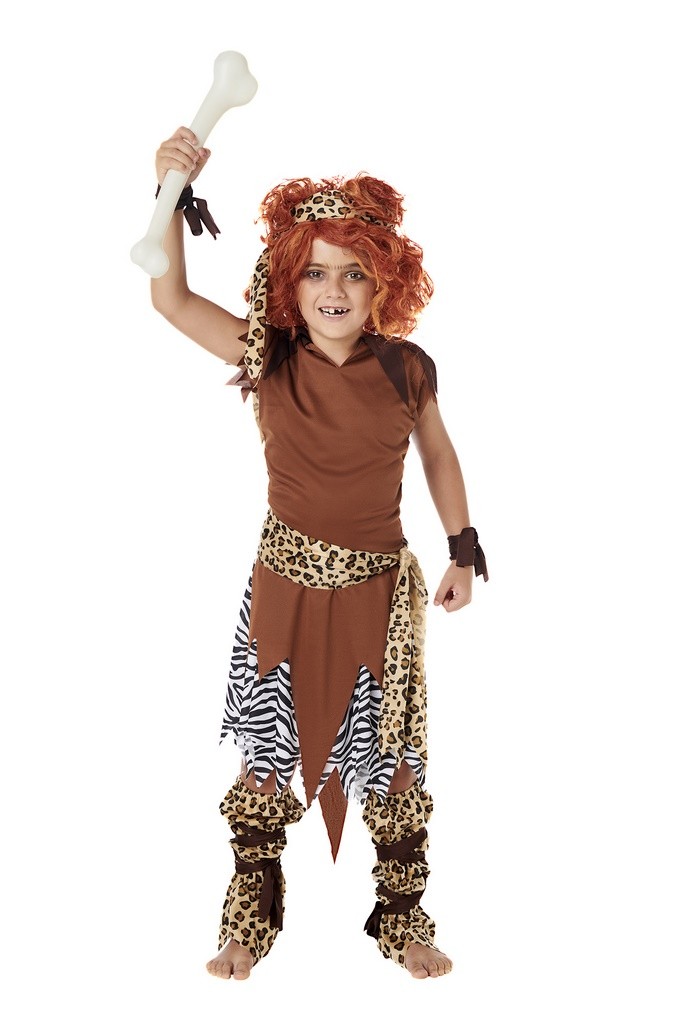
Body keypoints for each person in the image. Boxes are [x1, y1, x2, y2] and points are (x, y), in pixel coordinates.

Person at [149, 127, 488, 982]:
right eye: (315, 272)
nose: (333, 290)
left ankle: (403, 919)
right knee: (266, 759)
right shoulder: (268, 357)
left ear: (384, 281)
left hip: (378, 591)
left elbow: (438, 455)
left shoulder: (408, 369)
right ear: (287, 281)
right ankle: (248, 921)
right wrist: (167, 192)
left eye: (353, 273)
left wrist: (462, 547)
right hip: (287, 588)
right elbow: (171, 301)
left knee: (394, 760)